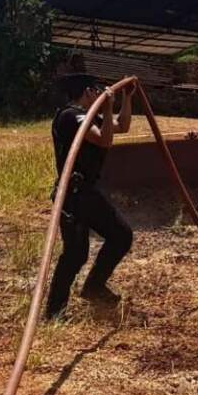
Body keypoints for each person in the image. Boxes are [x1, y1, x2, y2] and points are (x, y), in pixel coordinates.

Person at [45, 72, 135, 320]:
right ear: (87, 92)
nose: (100, 92)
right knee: (75, 254)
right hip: (73, 195)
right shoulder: (70, 116)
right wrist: (107, 107)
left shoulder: (86, 116)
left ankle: (94, 287)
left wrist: (126, 99)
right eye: (96, 89)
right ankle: (54, 312)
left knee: (120, 236)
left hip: (85, 192)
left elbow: (122, 127)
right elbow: (105, 140)